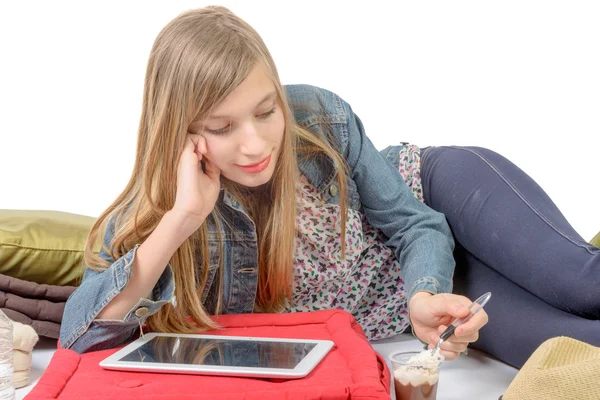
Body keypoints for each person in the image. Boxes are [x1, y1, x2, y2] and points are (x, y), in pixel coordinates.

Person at [60, 6, 599, 368]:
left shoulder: (318, 114)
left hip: (439, 199)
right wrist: (181, 220)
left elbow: (416, 223)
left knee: (582, 282)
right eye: (223, 128)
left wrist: (423, 291)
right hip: (437, 294)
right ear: (179, 130)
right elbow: (78, 341)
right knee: (575, 346)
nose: (255, 145)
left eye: (266, 111)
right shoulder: (148, 218)